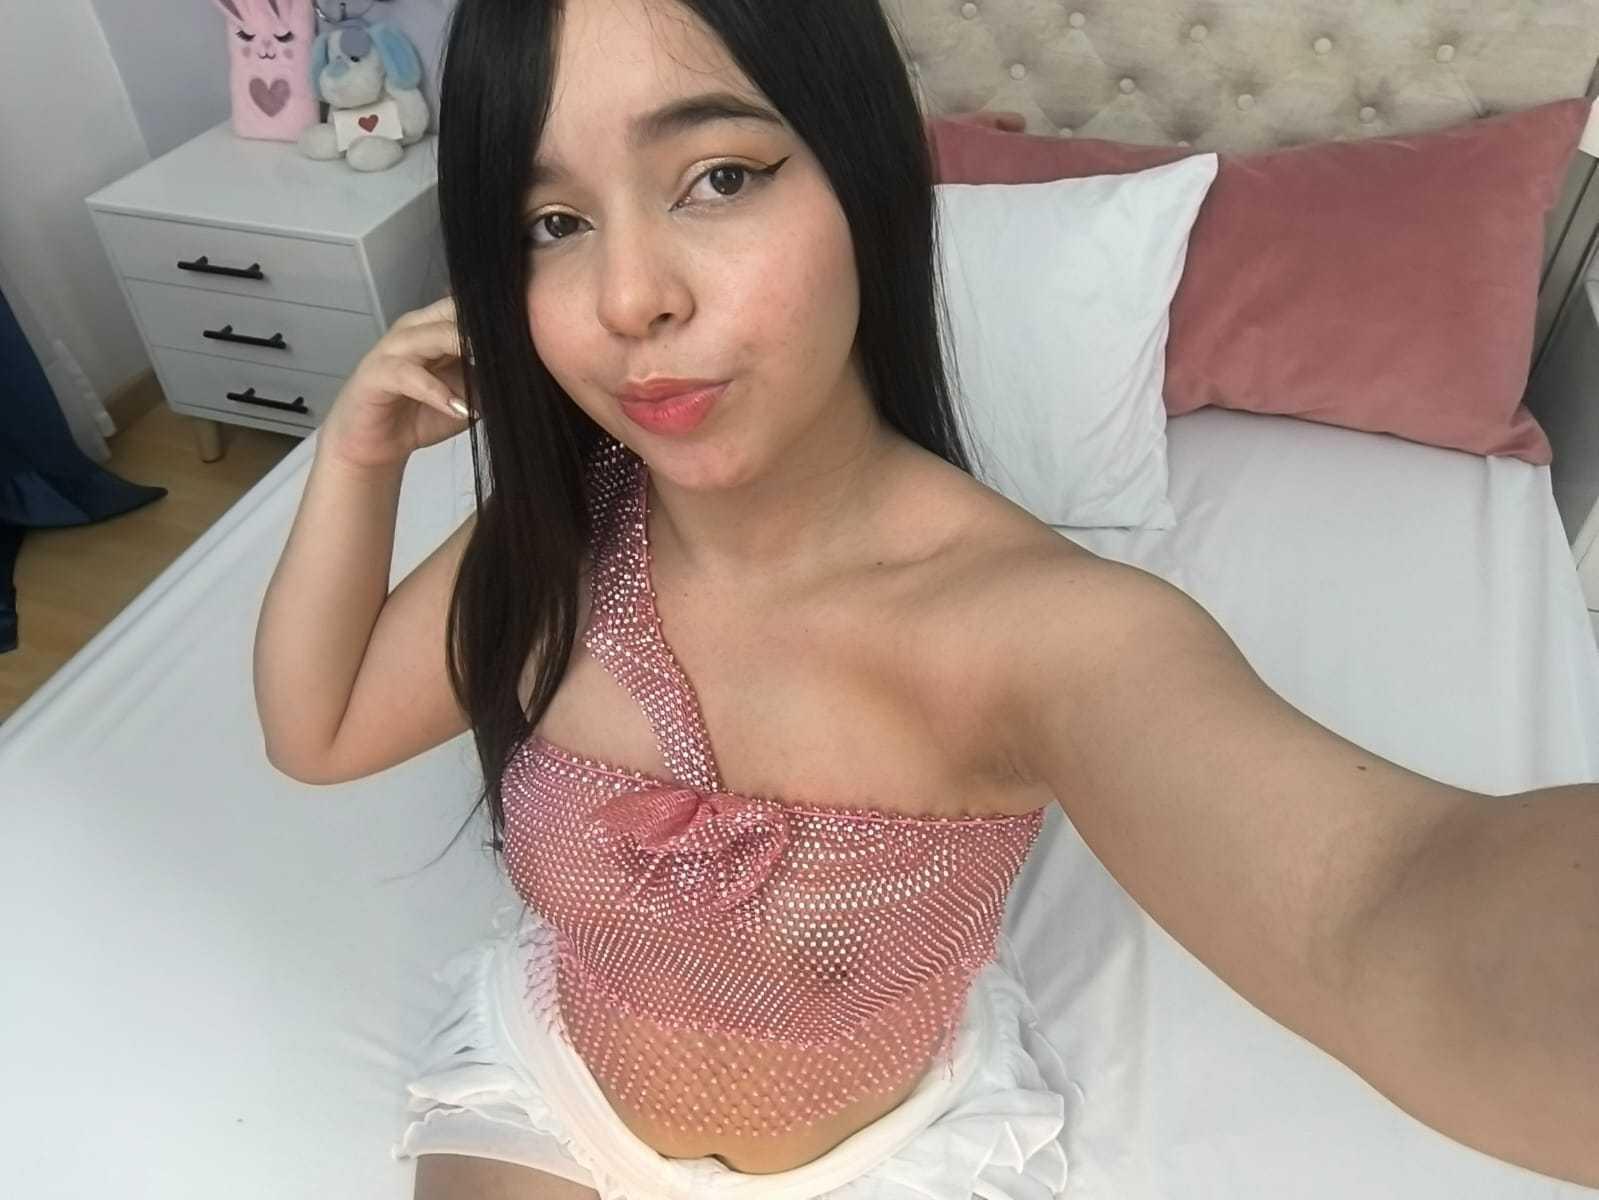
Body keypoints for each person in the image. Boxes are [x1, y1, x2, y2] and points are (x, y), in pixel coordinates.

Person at [251, 0, 1599, 1196]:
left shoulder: (1041, 632)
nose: (629, 298)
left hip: (888, 1155)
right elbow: (320, 731)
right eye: (554, 223)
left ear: (867, 179)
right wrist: (354, 461)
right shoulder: (562, 532)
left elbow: (1376, 904)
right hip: (553, 1087)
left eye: (719, 178)